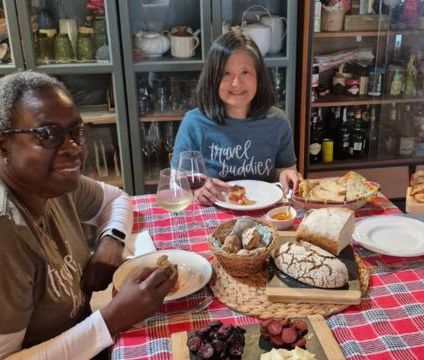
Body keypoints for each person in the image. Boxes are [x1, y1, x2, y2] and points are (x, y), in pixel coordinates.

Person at [0, 71, 178, 359]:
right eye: (47, 135)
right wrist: (111, 319)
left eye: (76, 132)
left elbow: (117, 199)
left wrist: (111, 241)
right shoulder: (6, 234)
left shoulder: (50, 183)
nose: (72, 149)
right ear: (3, 144)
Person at [171, 30, 302, 206]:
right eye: (226, 73)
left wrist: (287, 175)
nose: (236, 83)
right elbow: (176, 181)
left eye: (245, 72)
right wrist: (195, 189)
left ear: (259, 77)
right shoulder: (193, 123)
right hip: (212, 215)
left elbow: (284, 171)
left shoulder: (278, 122)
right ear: (213, 78)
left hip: (264, 213)